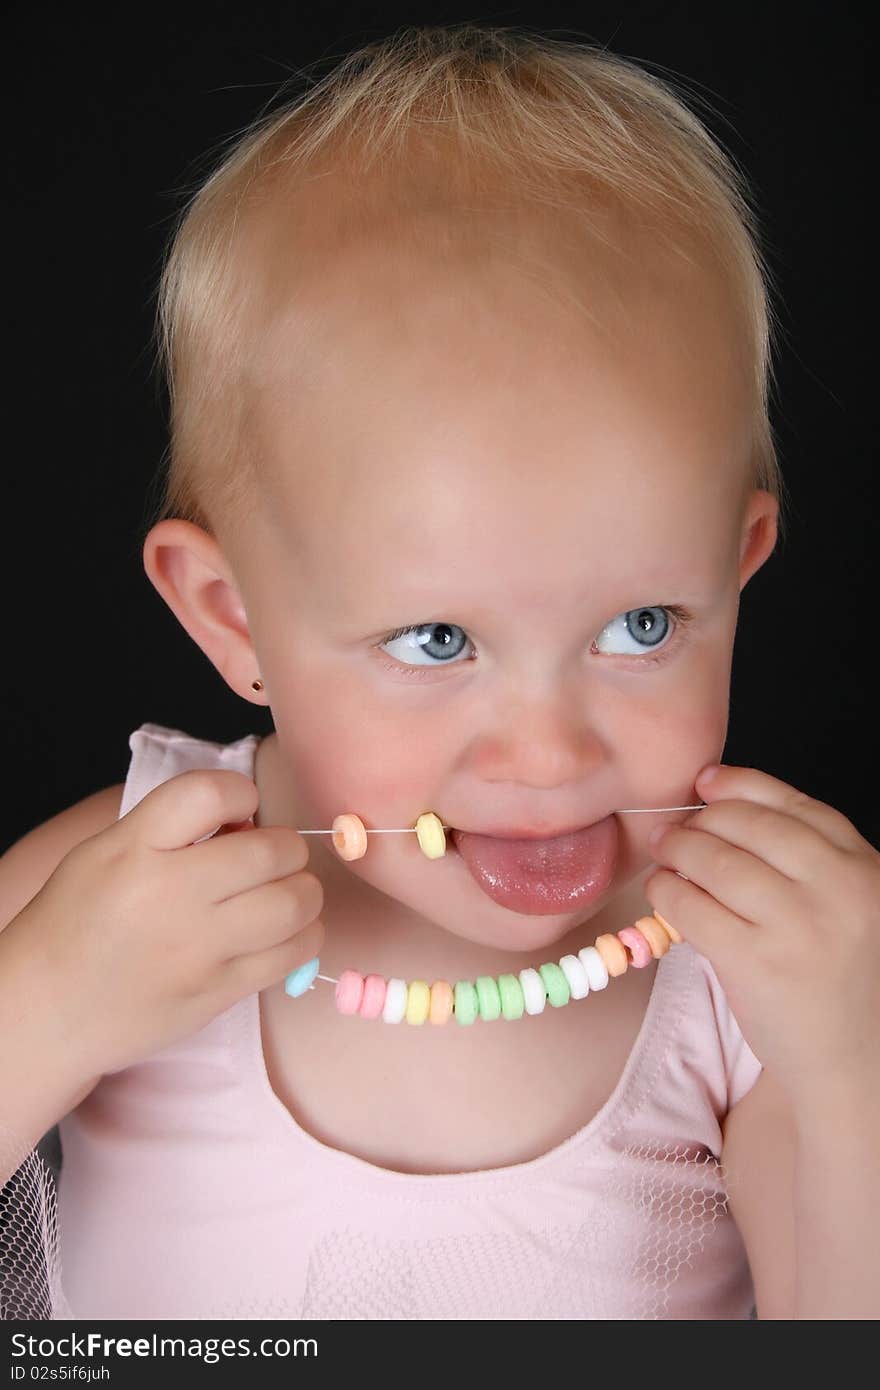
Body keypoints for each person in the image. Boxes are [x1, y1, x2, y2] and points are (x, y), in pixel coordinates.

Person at [1, 23, 876, 1321]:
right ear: (232, 616)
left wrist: (851, 1056)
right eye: (438, 642)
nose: (551, 754)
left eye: (641, 625)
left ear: (737, 566)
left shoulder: (749, 974)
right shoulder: (123, 889)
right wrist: (47, 1005)